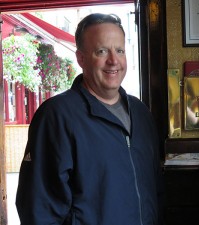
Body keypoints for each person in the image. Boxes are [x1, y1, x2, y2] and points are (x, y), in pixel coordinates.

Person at [16, 13, 164, 225]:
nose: (113, 61)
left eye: (119, 50)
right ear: (81, 58)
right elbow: (38, 209)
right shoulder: (56, 117)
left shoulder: (141, 113)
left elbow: (156, 192)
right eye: (101, 51)